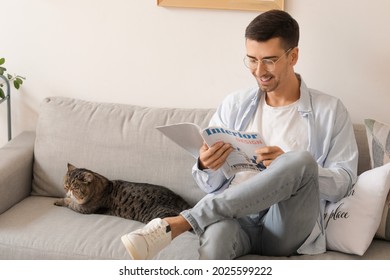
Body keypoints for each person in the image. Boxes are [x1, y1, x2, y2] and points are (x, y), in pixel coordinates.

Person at [121, 9, 358, 260]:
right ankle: (194, 220)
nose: (259, 71)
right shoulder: (235, 104)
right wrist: (206, 164)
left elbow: (344, 183)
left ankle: (181, 222)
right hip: (235, 218)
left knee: (301, 161)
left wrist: (289, 166)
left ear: (293, 56)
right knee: (215, 245)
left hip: (285, 226)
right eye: (252, 59)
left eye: (269, 60)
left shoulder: (330, 110)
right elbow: (208, 184)